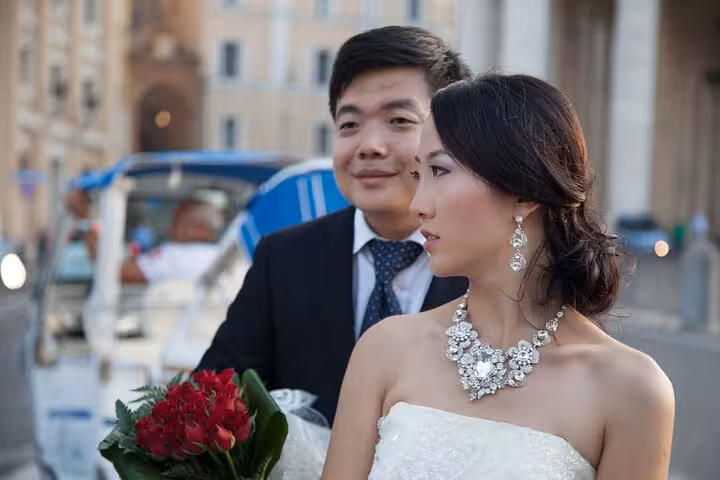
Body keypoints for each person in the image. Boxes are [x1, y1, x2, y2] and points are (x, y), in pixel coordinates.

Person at [322, 73, 675, 479]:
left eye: (438, 170)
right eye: (418, 176)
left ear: (524, 192)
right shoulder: (384, 350)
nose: (418, 204)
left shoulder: (632, 390)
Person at [196, 26, 472, 424]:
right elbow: (212, 400)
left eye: (398, 120)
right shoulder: (284, 258)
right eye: (349, 125)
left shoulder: (490, 265)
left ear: (455, 136)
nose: (369, 145)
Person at [65, 190, 223, 284]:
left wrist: (84, 220)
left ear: (199, 230)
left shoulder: (174, 256)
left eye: (178, 222)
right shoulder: (229, 256)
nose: (171, 228)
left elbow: (113, 271)